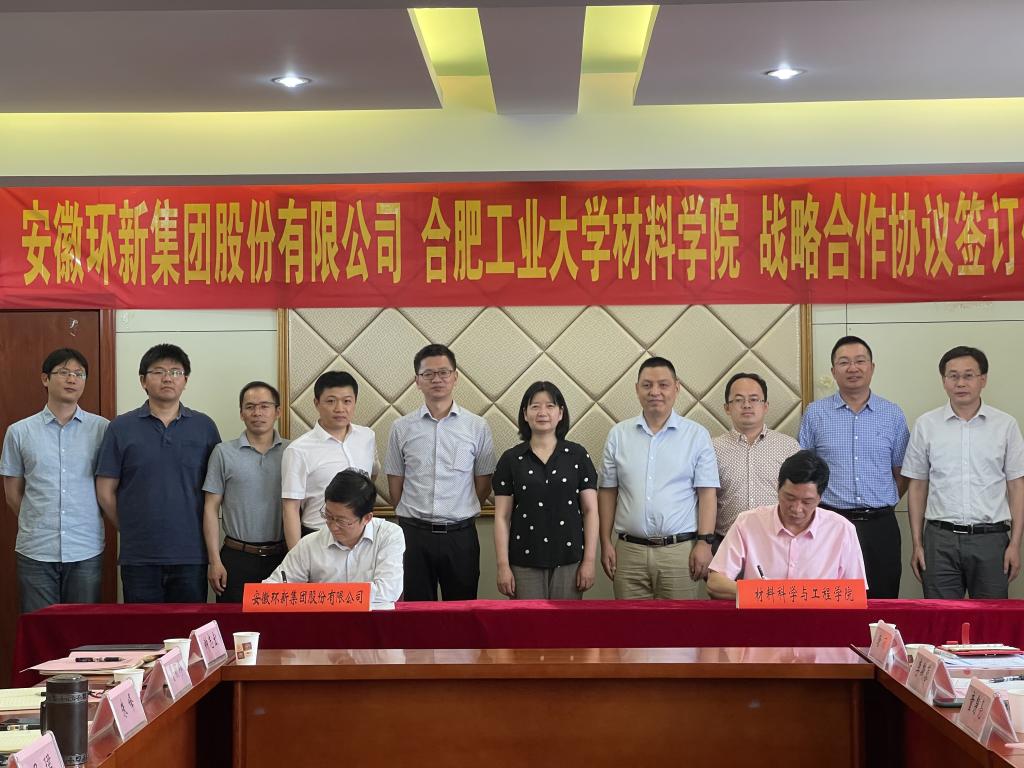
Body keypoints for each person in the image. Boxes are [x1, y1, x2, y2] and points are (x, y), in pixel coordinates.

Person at [95, 343, 220, 603]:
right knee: (142, 628)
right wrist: (131, 527)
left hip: (191, 554)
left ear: (185, 380)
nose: (167, 378)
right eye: (158, 371)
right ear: (143, 380)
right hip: (139, 557)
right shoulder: (121, 427)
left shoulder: (205, 427)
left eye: (175, 372)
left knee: (189, 626)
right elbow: (105, 491)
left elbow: (215, 492)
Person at [902, 346, 1024, 599]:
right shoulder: (926, 425)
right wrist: (917, 543)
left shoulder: (1005, 425)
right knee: (941, 618)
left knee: (990, 619)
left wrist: (1015, 544)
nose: (960, 383)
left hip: (991, 540)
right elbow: (917, 486)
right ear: (943, 381)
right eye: (953, 376)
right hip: (940, 540)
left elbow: (1016, 486)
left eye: (968, 375)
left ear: (983, 379)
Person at [598, 357, 719, 599]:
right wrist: (605, 542)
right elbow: (608, 492)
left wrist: (705, 543)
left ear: (677, 387)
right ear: (637, 389)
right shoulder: (618, 435)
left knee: (680, 623)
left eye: (663, 385)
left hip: (680, 552)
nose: (655, 392)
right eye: (647, 385)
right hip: (628, 552)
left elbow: (707, 494)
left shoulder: (696, 435)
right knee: (630, 623)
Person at [798, 335, 909, 598]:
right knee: (830, 600)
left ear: (872, 367)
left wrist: (881, 500)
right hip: (831, 522)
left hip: (880, 525)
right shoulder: (815, 413)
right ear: (833, 371)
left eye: (860, 361)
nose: (853, 368)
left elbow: (902, 473)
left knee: (882, 601)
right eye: (844, 362)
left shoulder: (892, 414)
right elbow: (804, 472)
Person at [384, 343, 496, 601]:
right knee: (416, 613)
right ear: (417, 381)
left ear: (455, 377)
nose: (437, 379)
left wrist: (460, 510)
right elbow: (395, 484)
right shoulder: (401, 427)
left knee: (462, 612)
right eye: (428, 374)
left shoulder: (477, 426)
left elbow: (483, 483)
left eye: (444, 372)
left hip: (460, 536)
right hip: (413, 535)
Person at [1, 348, 109, 612]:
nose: (72, 379)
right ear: (45, 379)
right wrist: (37, 521)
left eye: (79, 374)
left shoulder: (103, 429)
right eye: (63, 372)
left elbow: (110, 487)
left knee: (82, 628)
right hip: (35, 549)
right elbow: (12, 493)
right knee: (40, 627)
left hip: (85, 548)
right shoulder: (19, 432)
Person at [707, 450, 867, 600]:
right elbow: (715, 583)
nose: (797, 509)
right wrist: (764, 594)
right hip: (762, 617)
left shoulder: (841, 529)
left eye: (807, 502)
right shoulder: (748, 522)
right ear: (778, 487)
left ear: (820, 498)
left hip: (819, 618)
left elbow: (855, 593)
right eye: (790, 498)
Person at [493, 381, 598, 600]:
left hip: (569, 560)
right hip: (523, 561)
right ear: (525, 414)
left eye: (550, 406)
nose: (543, 412)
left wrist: (589, 561)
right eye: (535, 406)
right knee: (527, 622)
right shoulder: (511, 459)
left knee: (565, 622)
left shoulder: (578, 455)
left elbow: (590, 511)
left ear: (561, 413)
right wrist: (503, 565)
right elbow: (502, 517)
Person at [264, 469, 405, 610]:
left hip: (372, 621)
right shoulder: (310, 543)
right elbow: (271, 589)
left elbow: (389, 590)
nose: (332, 526)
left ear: (367, 518)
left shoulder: (388, 536)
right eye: (328, 516)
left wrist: (322, 595)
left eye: (341, 521)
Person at [202, 381, 290, 603]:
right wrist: (214, 561)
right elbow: (210, 508)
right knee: (233, 621)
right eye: (250, 407)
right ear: (241, 413)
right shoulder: (223, 453)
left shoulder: (293, 451)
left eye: (264, 406)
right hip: (236, 558)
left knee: (281, 622)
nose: (257, 412)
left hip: (282, 558)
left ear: (278, 411)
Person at [281, 371, 376, 549]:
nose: (339, 408)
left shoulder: (367, 437)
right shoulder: (298, 450)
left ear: (355, 402)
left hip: (362, 538)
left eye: (347, 401)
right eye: (331, 401)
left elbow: (372, 476)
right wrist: (296, 556)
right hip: (319, 535)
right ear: (316, 403)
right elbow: (290, 508)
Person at [712, 372, 799, 552]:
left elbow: (799, 495)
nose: (747, 405)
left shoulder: (788, 447)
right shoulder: (712, 448)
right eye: (738, 400)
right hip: (726, 544)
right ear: (727, 408)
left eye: (754, 399)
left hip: (777, 543)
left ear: (765, 406)